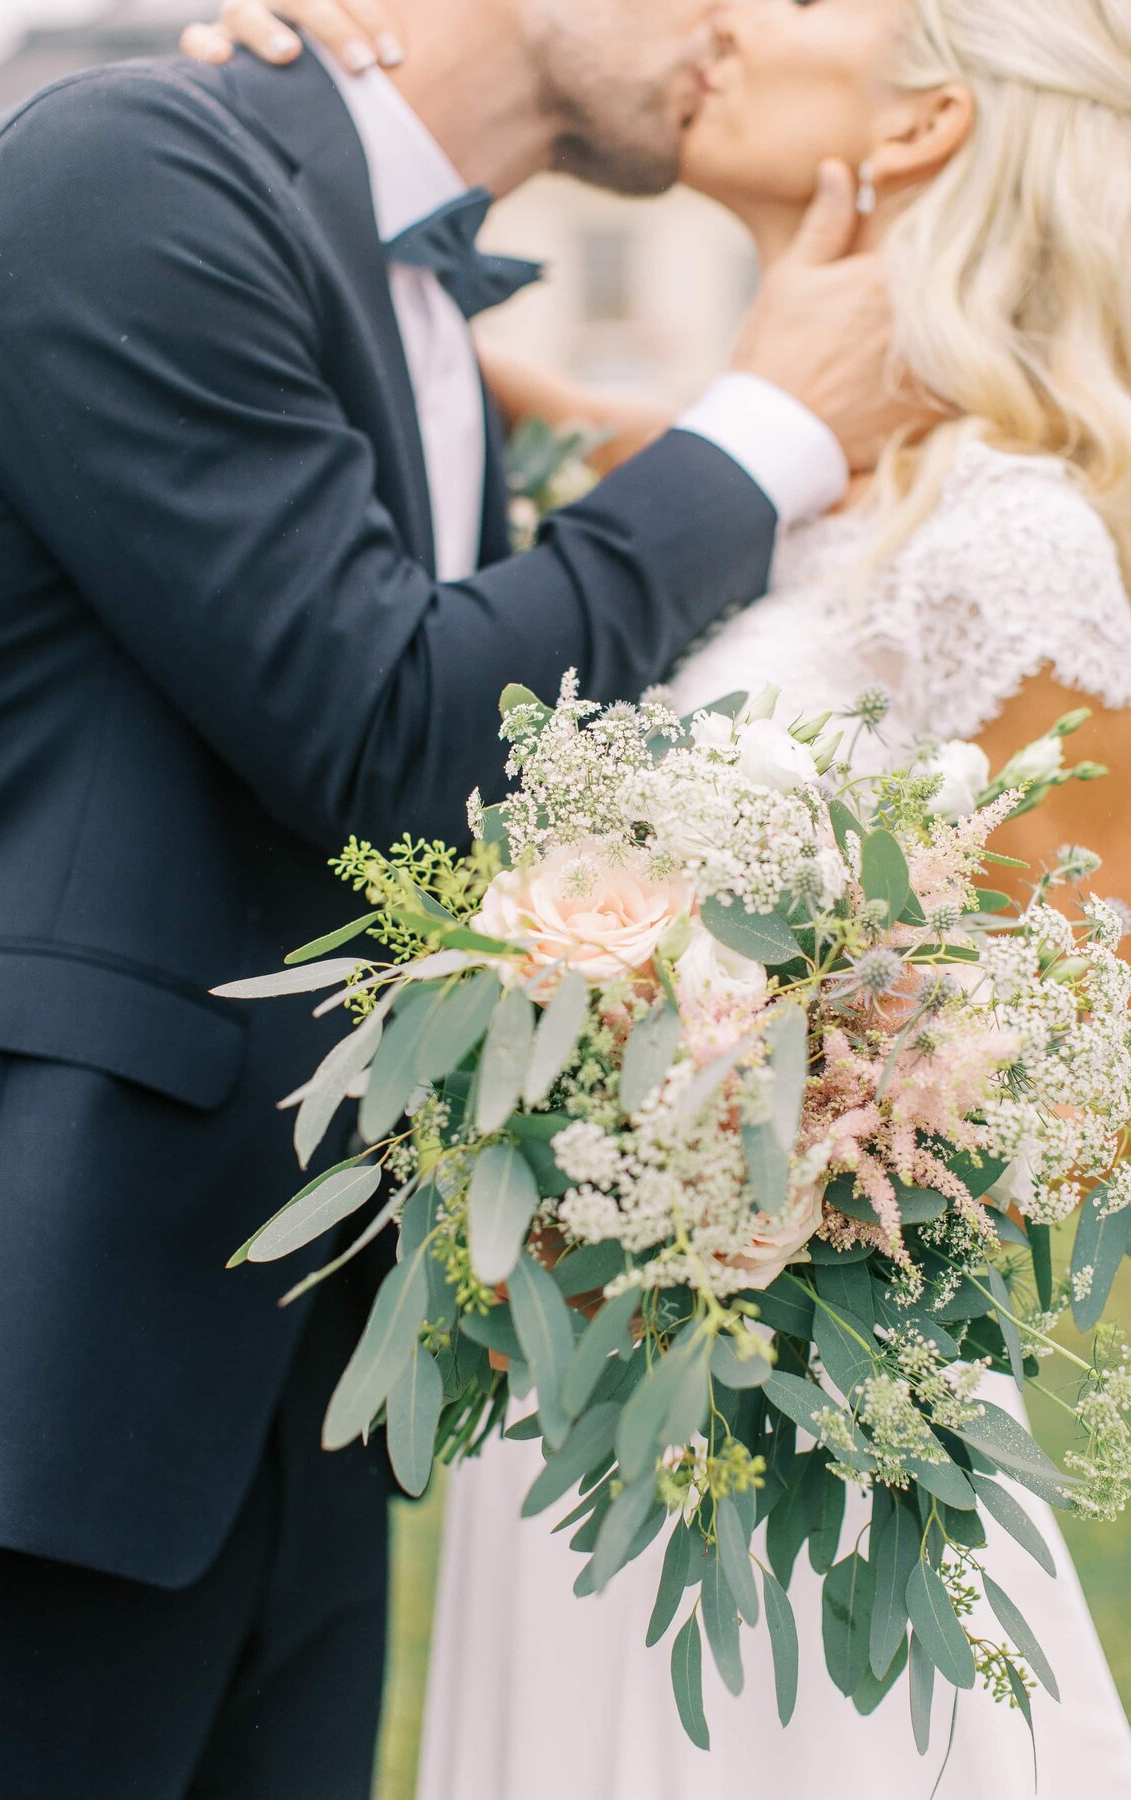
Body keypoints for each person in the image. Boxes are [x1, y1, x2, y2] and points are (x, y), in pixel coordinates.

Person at [0, 0, 917, 1794]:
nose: (739, 21)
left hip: (305, 1360)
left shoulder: (432, 309)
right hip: (38, 1339)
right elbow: (394, 734)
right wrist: (762, 430)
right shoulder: (124, 166)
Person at [192, 0, 1131, 1793]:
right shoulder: (710, 478)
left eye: (789, 1)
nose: (719, 14)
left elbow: (1077, 1026)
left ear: (923, 123)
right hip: (576, 1366)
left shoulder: (1010, 533)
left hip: (795, 1403)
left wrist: (816, 1114)